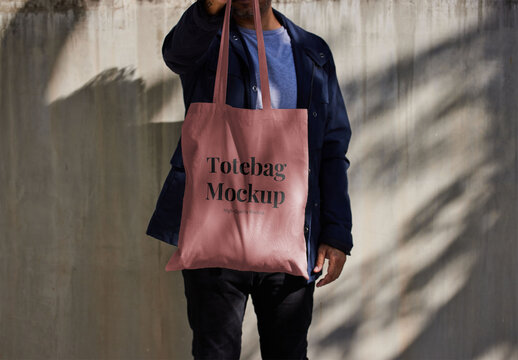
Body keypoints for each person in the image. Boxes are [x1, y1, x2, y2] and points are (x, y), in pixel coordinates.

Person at [145, 0, 353, 358]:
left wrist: (336, 232)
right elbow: (177, 54)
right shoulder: (208, 41)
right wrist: (208, 8)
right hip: (214, 233)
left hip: (291, 235)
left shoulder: (312, 52)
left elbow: (332, 148)